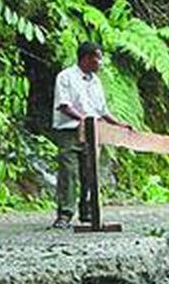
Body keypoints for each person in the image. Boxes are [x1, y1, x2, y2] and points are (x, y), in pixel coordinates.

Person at [50, 41, 130, 229]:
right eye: (98, 58)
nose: (100, 63)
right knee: (68, 172)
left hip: (92, 132)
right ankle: (65, 214)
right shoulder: (66, 77)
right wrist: (84, 120)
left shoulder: (96, 81)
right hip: (70, 131)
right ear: (87, 58)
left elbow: (102, 110)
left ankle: (87, 211)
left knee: (90, 172)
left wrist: (118, 124)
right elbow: (64, 105)